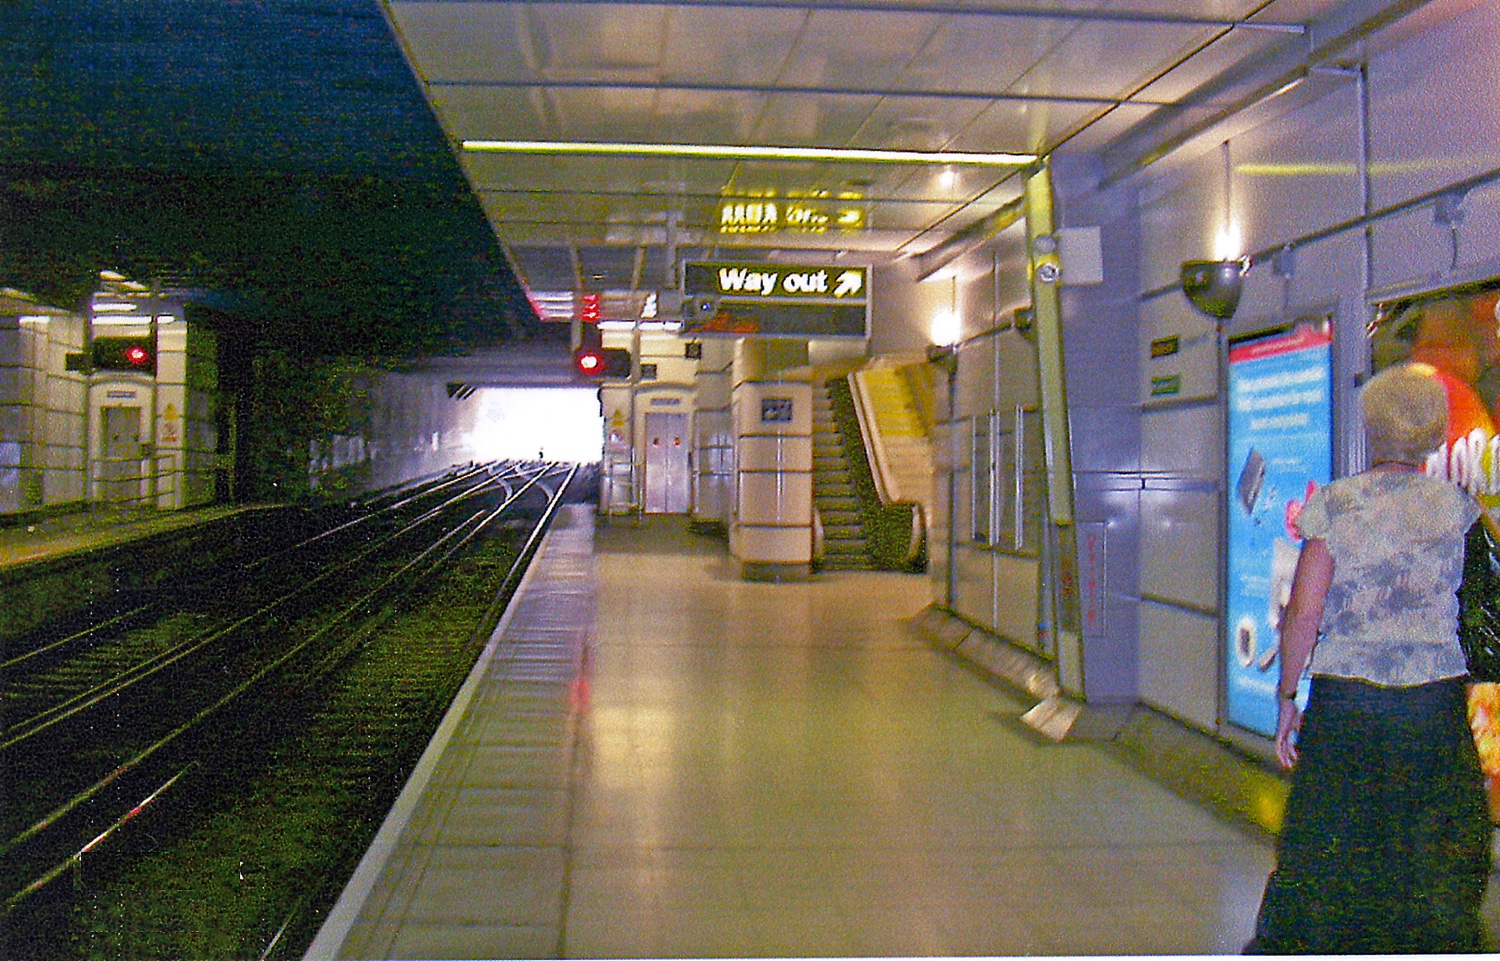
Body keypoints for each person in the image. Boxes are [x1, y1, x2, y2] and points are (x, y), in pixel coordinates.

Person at [1246, 363, 1493, 954]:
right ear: (1434, 435)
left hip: (1346, 701)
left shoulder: (1337, 505)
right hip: (1432, 704)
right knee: (1432, 847)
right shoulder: (1459, 512)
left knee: (1327, 844)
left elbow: (1303, 615)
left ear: (1372, 431)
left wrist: (1287, 703)